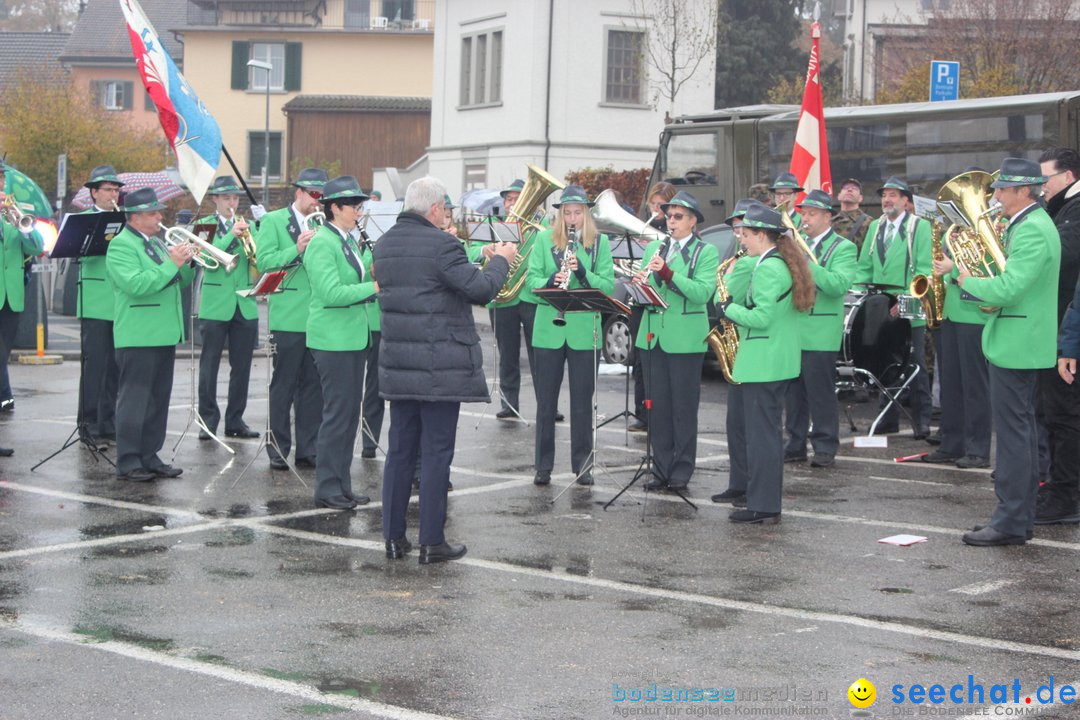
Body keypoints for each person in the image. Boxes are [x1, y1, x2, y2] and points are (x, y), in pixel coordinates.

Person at [376, 176, 517, 564]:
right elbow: (481, 290)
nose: (449, 215)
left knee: (400, 452)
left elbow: (433, 283)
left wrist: (475, 260)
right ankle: (432, 541)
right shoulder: (442, 244)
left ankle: (392, 537)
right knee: (437, 453)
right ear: (435, 208)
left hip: (399, 363)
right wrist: (501, 259)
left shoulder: (385, 244)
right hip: (441, 364)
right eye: (447, 208)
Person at [958, 158, 1061, 546]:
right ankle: (1017, 516)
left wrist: (967, 280)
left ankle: (1011, 520)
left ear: (1023, 191)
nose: (996, 197)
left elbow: (1008, 288)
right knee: (1023, 433)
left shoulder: (1032, 228)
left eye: (1002, 190)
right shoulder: (1029, 224)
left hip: (1017, 342)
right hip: (1021, 340)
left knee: (1015, 436)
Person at [712, 204, 815, 523]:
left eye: (746, 234)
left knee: (763, 438)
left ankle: (764, 506)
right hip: (771, 360)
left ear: (762, 235)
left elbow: (762, 316)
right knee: (765, 435)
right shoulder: (771, 262)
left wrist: (729, 310)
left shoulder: (771, 268)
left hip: (764, 361)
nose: (741, 239)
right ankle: (762, 502)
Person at [106, 188, 196, 481]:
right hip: (138, 333)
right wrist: (173, 263)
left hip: (164, 332)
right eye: (153, 213)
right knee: (135, 399)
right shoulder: (120, 246)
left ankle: (150, 454)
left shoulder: (156, 244)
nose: (160, 217)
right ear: (135, 217)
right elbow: (137, 285)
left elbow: (179, 280)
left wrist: (188, 262)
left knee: (158, 398)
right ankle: (129, 459)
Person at [527, 185, 614, 486]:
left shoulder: (599, 243)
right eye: (567, 213)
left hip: (583, 329)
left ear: (586, 214)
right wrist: (553, 279)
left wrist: (581, 274)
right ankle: (543, 465)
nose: (572, 218)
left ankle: (583, 465)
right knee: (546, 403)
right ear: (560, 215)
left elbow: (608, 285)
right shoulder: (542, 239)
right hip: (549, 329)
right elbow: (531, 281)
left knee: (581, 402)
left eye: (577, 213)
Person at [632, 191, 718, 492]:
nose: (671, 221)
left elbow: (702, 293)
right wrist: (641, 282)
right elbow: (647, 287)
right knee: (658, 408)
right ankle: (661, 467)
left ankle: (681, 470)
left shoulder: (705, 252)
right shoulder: (656, 247)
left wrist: (667, 273)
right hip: (653, 335)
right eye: (669, 216)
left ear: (693, 221)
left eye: (678, 217)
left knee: (682, 408)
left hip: (685, 340)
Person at [305, 176, 377, 509]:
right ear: (334, 208)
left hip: (351, 337)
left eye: (360, 206)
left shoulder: (348, 240)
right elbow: (330, 294)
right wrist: (374, 289)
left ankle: (343, 483)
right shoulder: (323, 241)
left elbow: (354, 280)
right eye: (354, 206)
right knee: (336, 414)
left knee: (349, 414)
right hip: (332, 340)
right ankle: (327, 486)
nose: (359, 212)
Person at [254, 168, 328, 470]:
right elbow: (264, 262)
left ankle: (307, 448)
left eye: (321, 196)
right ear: (298, 193)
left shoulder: (325, 224)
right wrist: (296, 249)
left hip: (318, 315)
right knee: (283, 384)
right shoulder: (273, 221)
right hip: (287, 317)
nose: (316, 201)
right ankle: (277, 447)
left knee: (313, 387)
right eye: (312, 195)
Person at [923, 172, 993, 470]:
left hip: (974, 313)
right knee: (950, 382)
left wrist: (950, 269)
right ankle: (951, 443)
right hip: (951, 312)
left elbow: (984, 270)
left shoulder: (986, 230)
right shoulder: (954, 231)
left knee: (974, 385)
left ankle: (978, 449)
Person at [783, 189, 857, 468]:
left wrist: (805, 261)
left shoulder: (843, 248)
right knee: (794, 393)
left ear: (828, 216)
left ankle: (825, 445)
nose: (806, 219)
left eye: (812, 213)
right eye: (804, 213)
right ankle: (795, 443)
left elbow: (838, 284)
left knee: (820, 392)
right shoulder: (796, 246)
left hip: (821, 330)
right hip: (794, 327)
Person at [854, 176, 933, 438]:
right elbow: (865, 266)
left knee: (914, 363)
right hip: (879, 304)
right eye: (884, 195)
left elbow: (923, 269)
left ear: (906, 201)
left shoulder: (918, 226)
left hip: (909, 302)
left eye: (893, 195)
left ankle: (922, 421)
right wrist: (857, 294)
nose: (887, 199)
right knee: (884, 360)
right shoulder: (876, 226)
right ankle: (888, 419)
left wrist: (906, 300)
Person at [1033, 148, 1080, 524]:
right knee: (1053, 413)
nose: (1039, 187)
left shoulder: (1074, 210)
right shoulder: (1059, 209)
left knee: (1063, 415)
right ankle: (1057, 485)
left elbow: (1060, 254)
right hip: (1060, 324)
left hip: (1067, 327)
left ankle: (1066, 496)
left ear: (1068, 177)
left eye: (1044, 178)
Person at [195, 176, 259, 441]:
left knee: (242, 367)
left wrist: (251, 241)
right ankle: (208, 421)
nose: (231, 203)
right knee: (209, 365)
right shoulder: (204, 225)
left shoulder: (250, 225)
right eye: (226, 198)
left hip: (244, 302)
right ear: (215, 200)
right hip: (215, 305)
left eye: (234, 198)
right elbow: (204, 257)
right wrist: (231, 238)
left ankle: (235, 420)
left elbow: (257, 258)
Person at [481, 178, 545, 421]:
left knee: (539, 352)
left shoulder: (542, 225)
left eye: (517, 198)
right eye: (509, 199)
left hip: (530, 296)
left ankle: (546, 403)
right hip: (504, 298)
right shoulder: (495, 226)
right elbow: (480, 256)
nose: (512, 203)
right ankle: (509, 404)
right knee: (507, 354)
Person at [74, 165, 123, 441]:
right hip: (94, 301)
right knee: (94, 365)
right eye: (108, 189)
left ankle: (108, 421)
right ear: (94, 193)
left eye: (116, 190)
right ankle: (87, 423)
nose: (113, 194)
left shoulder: (124, 219)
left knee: (115, 366)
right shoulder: (82, 219)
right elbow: (76, 254)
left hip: (119, 301)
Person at [0, 164, 45, 454]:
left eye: (2, 181)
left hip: (10, 298)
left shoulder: (13, 215)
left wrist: (19, 224)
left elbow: (36, 246)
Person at [627, 181, 677, 433]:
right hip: (642, 303)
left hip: (663, 307)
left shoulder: (672, 236)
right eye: (653, 205)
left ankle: (654, 413)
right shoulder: (642, 231)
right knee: (639, 359)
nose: (656, 210)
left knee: (657, 363)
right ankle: (641, 413)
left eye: (661, 206)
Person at [831, 178, 873, 252]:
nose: (849, 190)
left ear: (860, 198)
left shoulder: (869, 222)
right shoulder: (829, 222)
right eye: (846, 188)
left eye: (855, 189)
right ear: (839, 196)